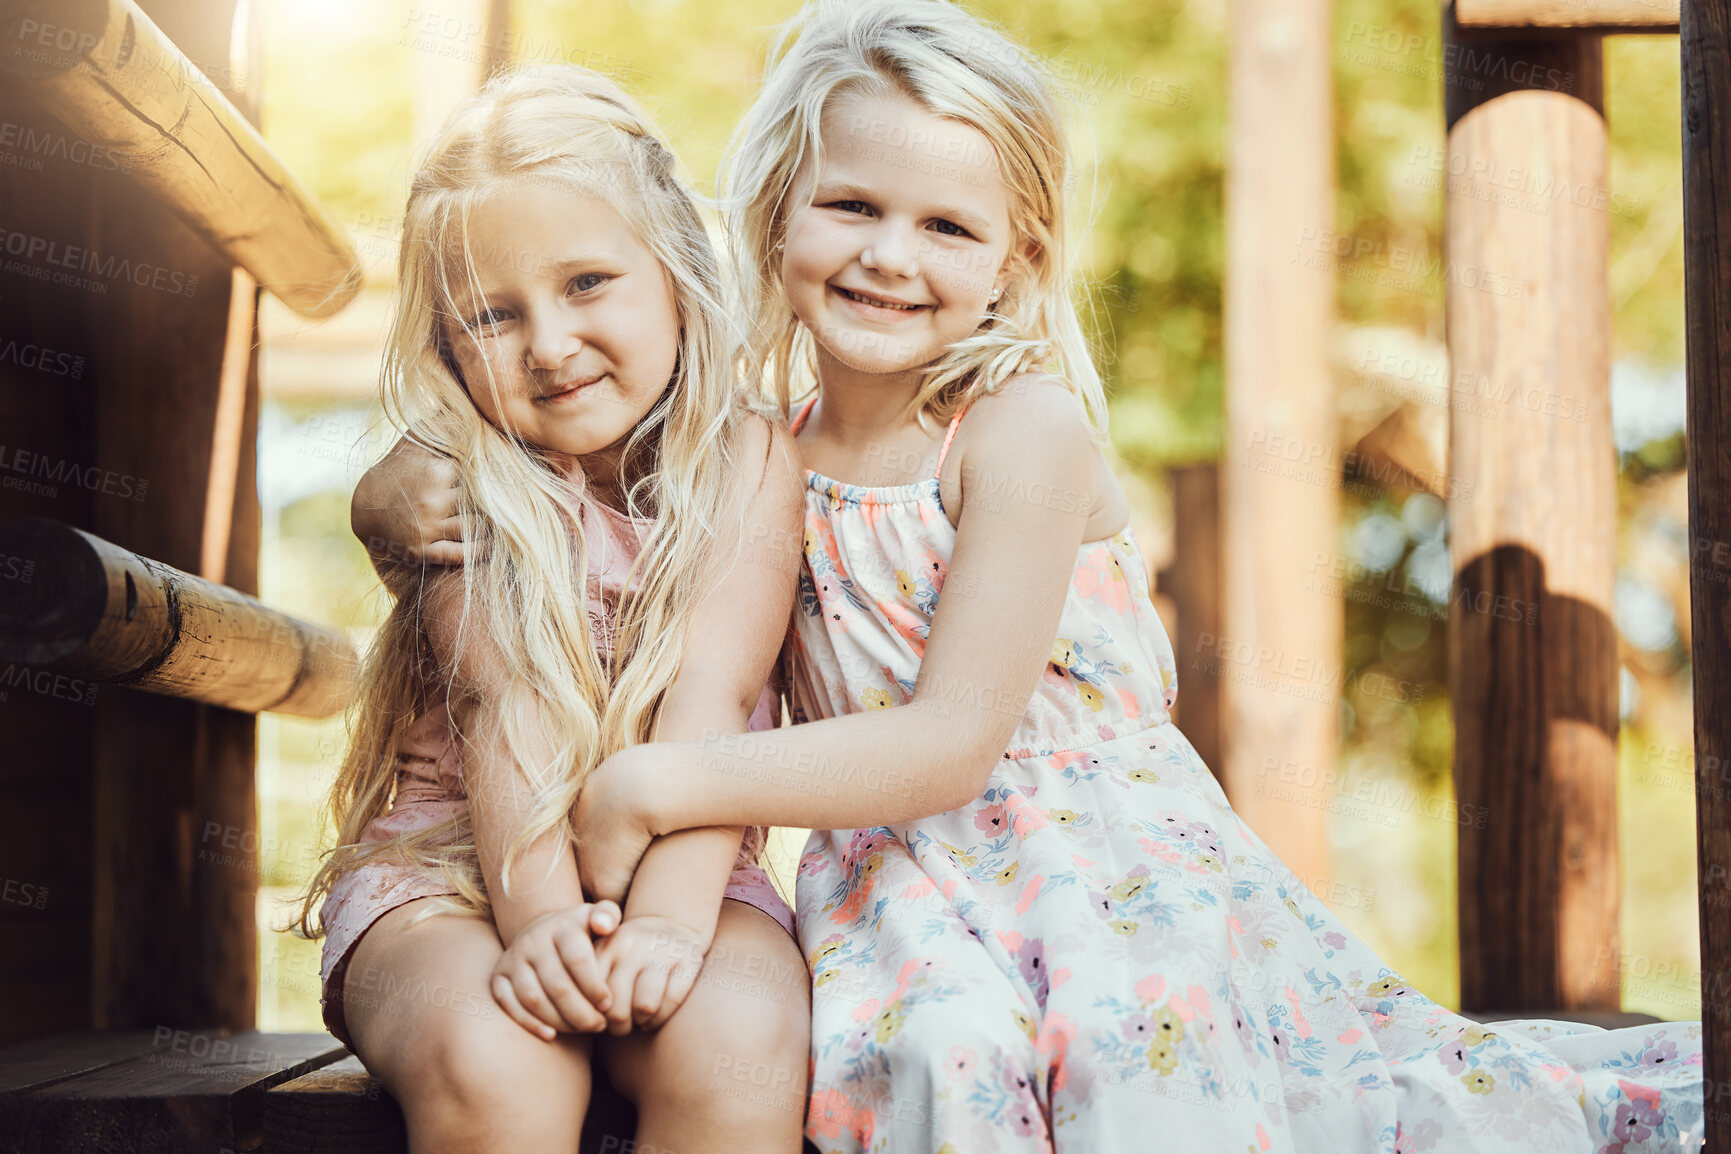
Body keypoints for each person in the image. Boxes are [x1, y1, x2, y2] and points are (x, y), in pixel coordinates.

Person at [355, 4, 1706, 1152]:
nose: (890, 254)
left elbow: (946, 739)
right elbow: (529, 607)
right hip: (891, 877)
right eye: (849, 207)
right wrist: (384, 494)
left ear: (1019, 258)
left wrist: (652, 785)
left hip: (1084, 856)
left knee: (1132, 1060)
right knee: (934, 1044)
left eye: (947, 225)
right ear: (773, 217)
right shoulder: (759, 440)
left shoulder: (1019, 427)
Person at [294, 66, 810, 1154]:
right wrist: (541, 931)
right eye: (492, 313)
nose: (550, 343)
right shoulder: (460, 478)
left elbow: (711, 694)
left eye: (587, 282)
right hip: (454, 872)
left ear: (673, 265)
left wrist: (666, 926)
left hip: (690, 868)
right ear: (443, 342)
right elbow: (504, 699)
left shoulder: (751, 459)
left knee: (743, 1043)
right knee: (499, 1060)